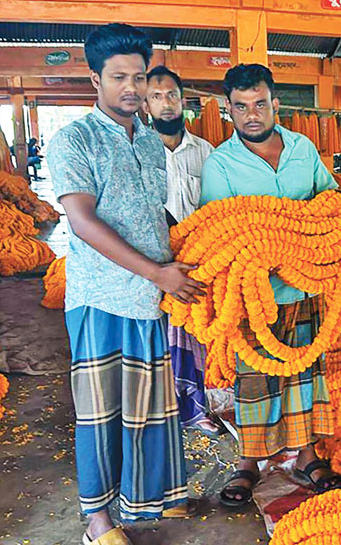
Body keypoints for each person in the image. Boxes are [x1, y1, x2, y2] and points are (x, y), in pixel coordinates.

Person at [47, 23, 204, 545]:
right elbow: (83, 222)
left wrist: (201, 244)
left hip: (151, 297)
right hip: (102, 298)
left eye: (139, 77)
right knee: (101, 413)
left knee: (150, 408)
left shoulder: (152, 143)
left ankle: (144, 499)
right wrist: (157, 271)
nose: (132, 88)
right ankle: (98, 522)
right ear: (95, 78)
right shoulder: (75, 139)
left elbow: (152, 213)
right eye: (119, 77)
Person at [200, 64, 341, 508]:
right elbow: (219, 231)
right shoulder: (221, 164)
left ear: (275, 103)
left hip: (307, 287)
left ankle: (308, 458)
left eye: (259, 104)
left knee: (306, 377)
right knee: (255, 382)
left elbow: (327, 203)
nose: (251, 114)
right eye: (241, 107)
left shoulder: (303, 149)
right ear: (228, 111)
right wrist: (265, 253)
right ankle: (249, 464)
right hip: (256, 296)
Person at [142, 65, 225, 437]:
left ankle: (197, 409)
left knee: (199, 336)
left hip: (199, 261)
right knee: (158, 338)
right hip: (153, 262)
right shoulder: (137, 152)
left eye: (172, 95)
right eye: (156, 96)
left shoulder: (207, 153)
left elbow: (218, 208)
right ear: (146, 103)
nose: (166, 103)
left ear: (182, 100)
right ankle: (162, 410)